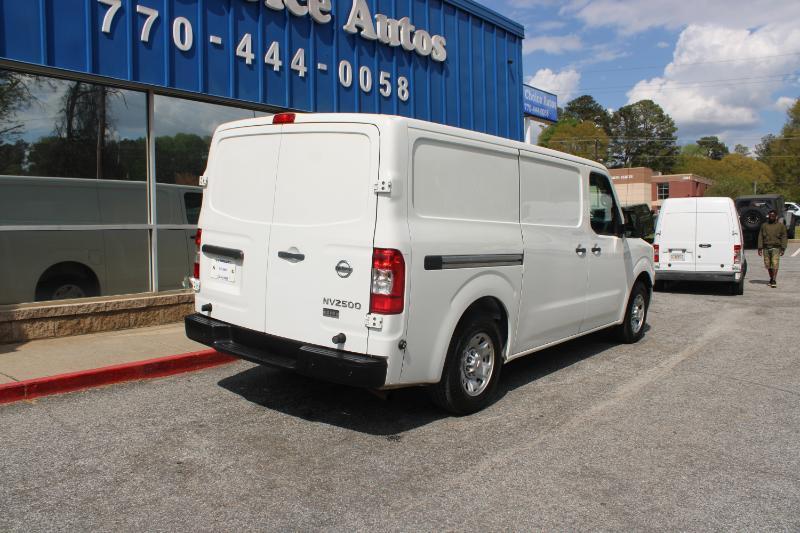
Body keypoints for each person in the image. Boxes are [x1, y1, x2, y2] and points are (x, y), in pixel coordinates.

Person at [757, 209, 788, 287]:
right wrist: (760, 248)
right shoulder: (764, 225)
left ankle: (774, 280)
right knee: (768, 265)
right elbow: (760, 236)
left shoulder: (781, 226)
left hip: (776, 247)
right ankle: (771, 278)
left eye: (773, 216)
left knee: (775, 263)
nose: (771, 217)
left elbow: (784, 237)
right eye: (770, 216)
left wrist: (783, 248)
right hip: (766, 247)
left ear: (776, 217)